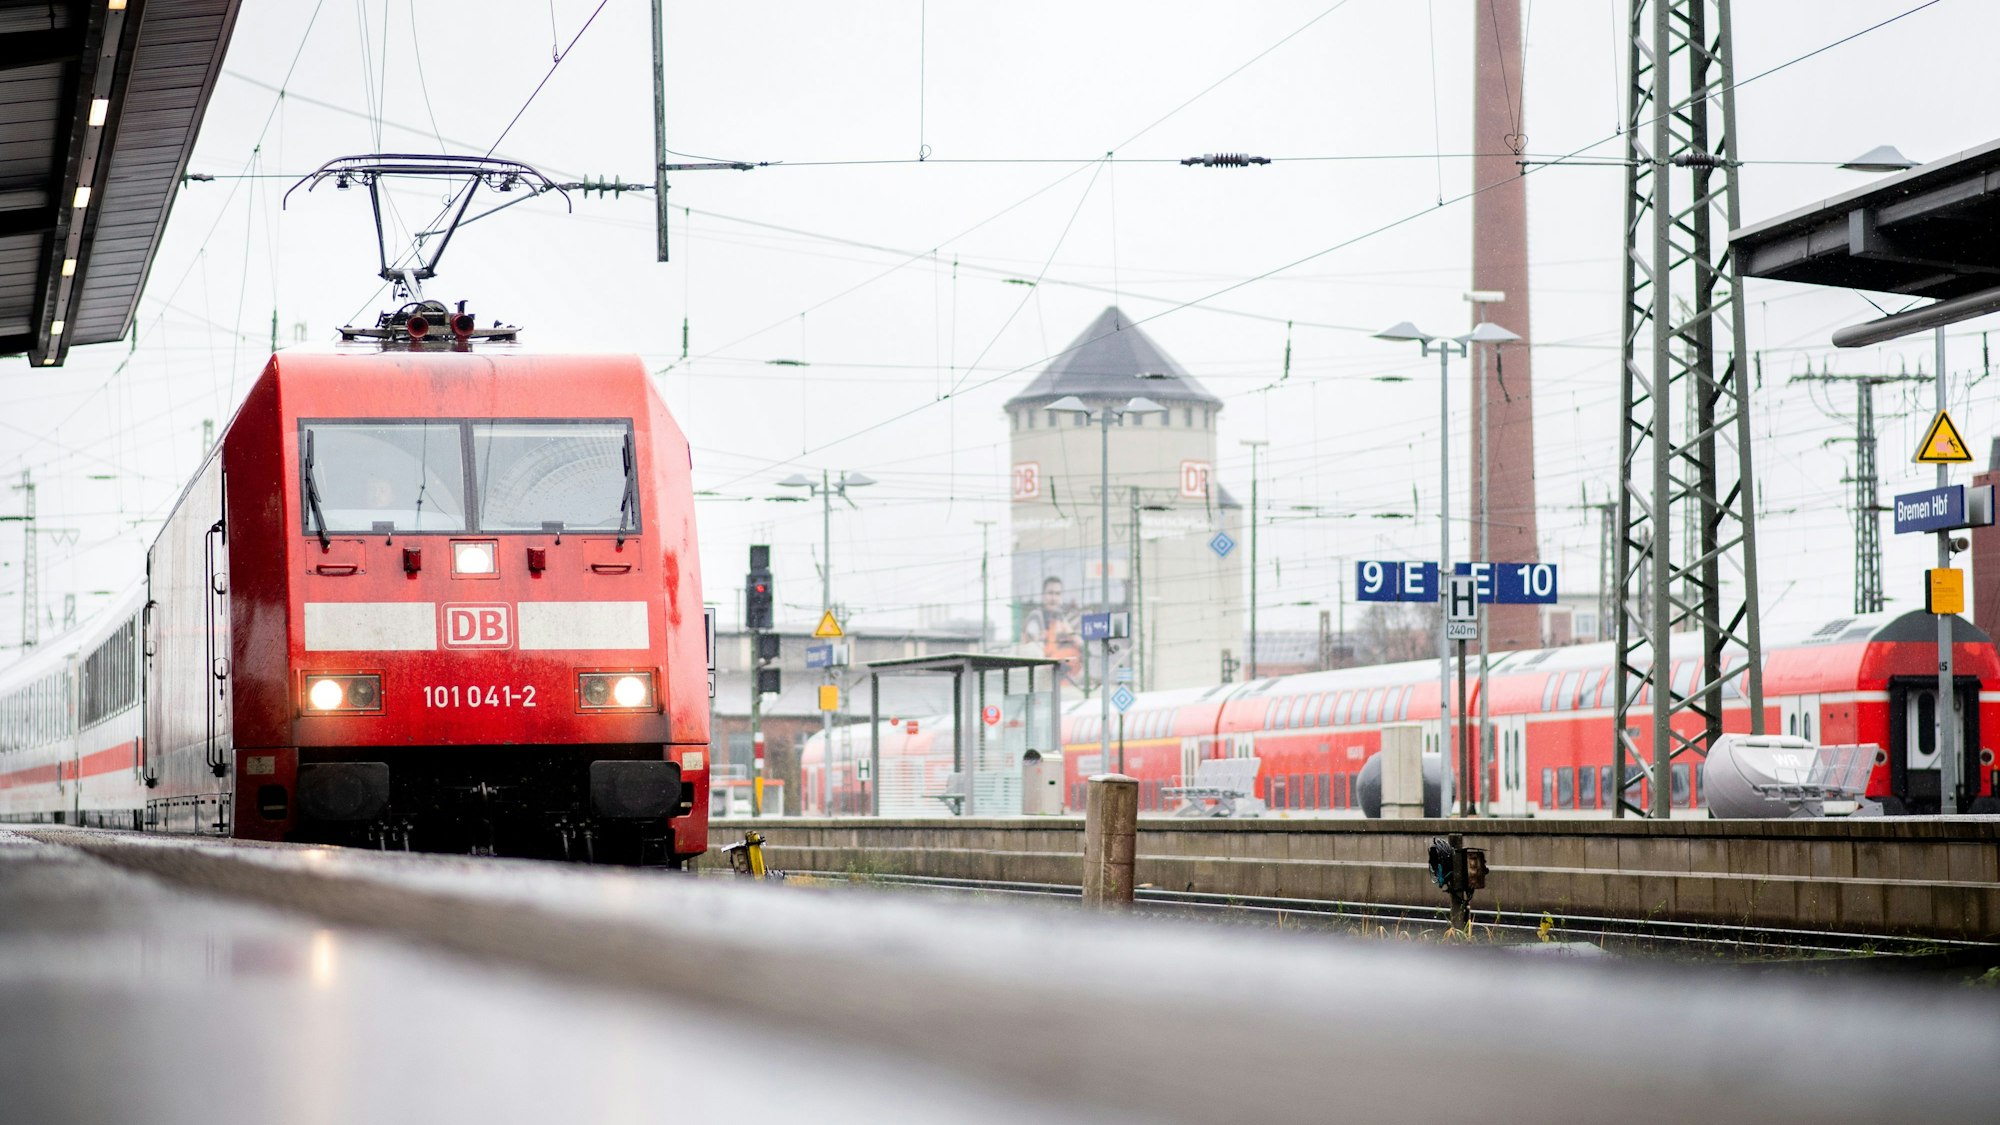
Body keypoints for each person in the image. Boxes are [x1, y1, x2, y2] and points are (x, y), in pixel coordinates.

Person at [1020, 575, 1082, 685]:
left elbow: (1080, 644)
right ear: (1043, 596)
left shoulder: (1061, 617)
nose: (1053, 598)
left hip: (1062, 677)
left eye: (1057, 594)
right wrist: (1043, 636)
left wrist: (1070, 634)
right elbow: (1030, 643)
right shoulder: (1036, 617)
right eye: (1050, 593)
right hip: (1041, 677)